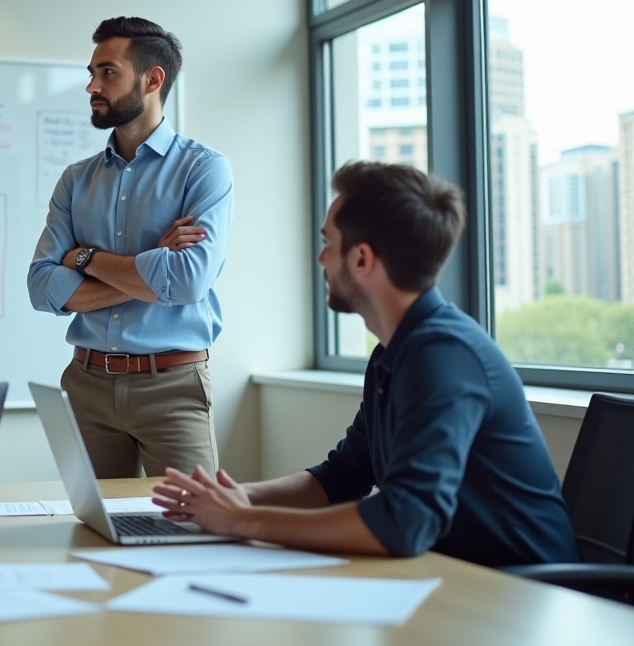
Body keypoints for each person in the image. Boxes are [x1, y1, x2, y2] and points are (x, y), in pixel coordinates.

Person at [152, 161, 578, 568]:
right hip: (454, 578)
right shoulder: (394, 352)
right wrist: (232, 498)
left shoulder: (444, 356)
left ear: (361, 259)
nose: (321, 259)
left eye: (328, 244)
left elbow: (404, 523)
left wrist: (243, 522)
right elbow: (343, 477)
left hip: (522, 595)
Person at [27, 16, 234, 479]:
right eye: (91, 73)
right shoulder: (76, 180)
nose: (91, 86)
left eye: (107, 72)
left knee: (190, 532)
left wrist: (85, 260)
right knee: (92, 528)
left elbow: (186, 282)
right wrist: (149, 266)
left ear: (152, 79)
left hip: (173, 385)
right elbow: (42, 287)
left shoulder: (205, 170)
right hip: (86, 385)